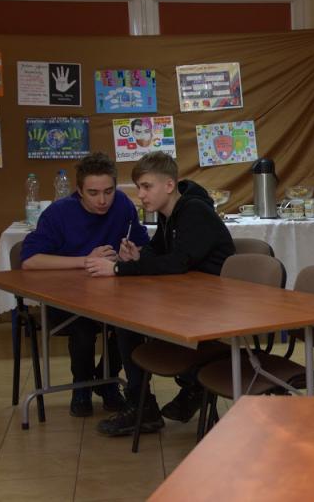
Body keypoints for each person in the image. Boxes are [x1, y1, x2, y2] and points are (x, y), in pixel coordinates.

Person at [85, 152, 235, 436]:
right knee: (126, 321)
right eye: (138, 187)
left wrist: (117, 268)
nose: (141, 195)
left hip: (212, 305)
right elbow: (158, 252)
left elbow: (177, 263)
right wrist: (137, 255)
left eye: (146, 186)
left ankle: (169, 394)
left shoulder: (194, 211)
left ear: (168, 185)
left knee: (130, 324)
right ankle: (148, 402)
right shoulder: (170, 214)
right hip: (186, 298)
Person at [21, 152, 150, 417]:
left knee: (132, 323)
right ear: (79, 191)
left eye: (108, 191)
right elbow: (30, 261)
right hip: (66, 298)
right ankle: (81, 386)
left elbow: (143, 246)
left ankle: (106, 380)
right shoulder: (59, 213)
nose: (102, 200)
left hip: (112, 297)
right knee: (83, 326)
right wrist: (85, 261)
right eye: (93, 193)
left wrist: (131, 254)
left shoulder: (123, 205)